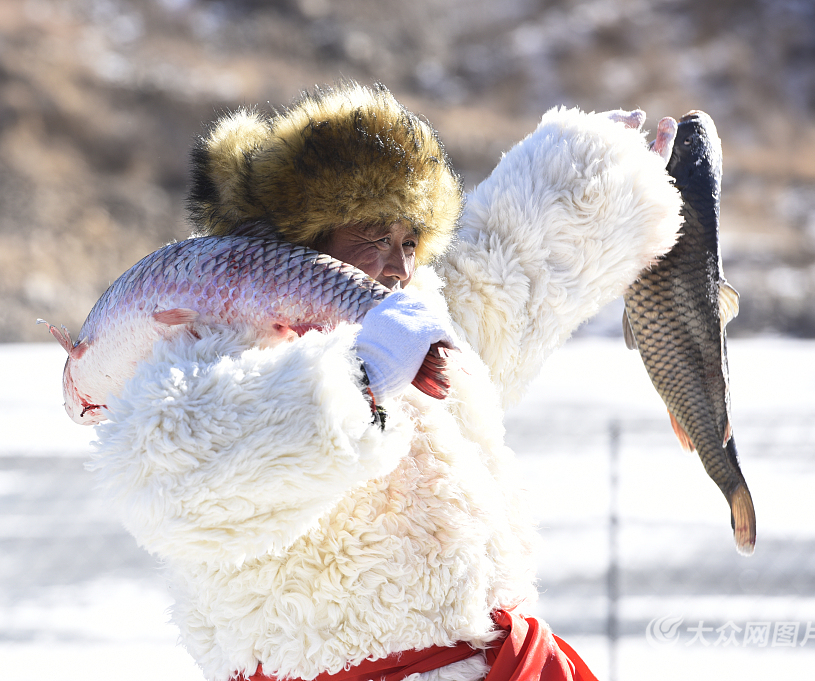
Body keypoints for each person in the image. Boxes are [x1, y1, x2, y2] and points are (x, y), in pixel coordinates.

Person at [88, 82, 682, 681]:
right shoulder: (210, 339)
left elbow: (507, 274)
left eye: (409, 240)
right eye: (372, 238)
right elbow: (182, 474)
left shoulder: (408, 310)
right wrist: (357, 379)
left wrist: (601, 171)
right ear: (304, 240)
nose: (398, 265)